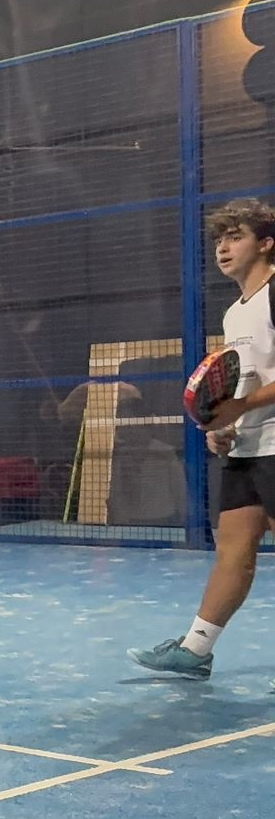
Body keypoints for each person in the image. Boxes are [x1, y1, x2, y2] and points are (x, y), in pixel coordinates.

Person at [130, 198, 275, 679]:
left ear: (266, 244)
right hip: (249, 450)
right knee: (233, 549)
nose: (223, 248)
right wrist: (227, 427)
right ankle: (195, 651)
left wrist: (242, 408)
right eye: (219, 240)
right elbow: (244, 382)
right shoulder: (234, 313)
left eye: (236, 237)